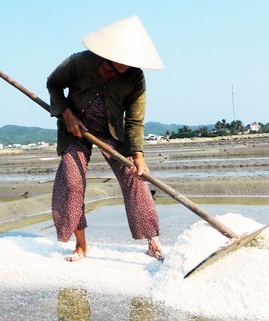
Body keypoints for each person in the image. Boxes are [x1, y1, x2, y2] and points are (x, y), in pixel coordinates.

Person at [46, 16, 164, 262]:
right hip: (76, 131)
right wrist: (67, 115)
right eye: (121, 61)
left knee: (135, 178)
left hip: (111, 133)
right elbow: (53, 84)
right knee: (73, 183)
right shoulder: (79, 63)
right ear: (109, 53)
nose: (125, 66)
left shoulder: (136, 78)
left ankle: (153, 241)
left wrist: (138, 156)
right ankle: (80, 246)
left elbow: (134, 121)